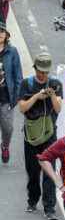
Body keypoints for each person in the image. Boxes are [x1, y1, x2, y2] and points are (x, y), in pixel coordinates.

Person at [19, 52, 62, 219]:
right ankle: (32, 199)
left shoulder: (56, 84)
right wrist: (37, 96)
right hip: (32, 133)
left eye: (45, 71)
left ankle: (49, 207)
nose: (42, 75)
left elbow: (58, 109)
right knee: (33, 170)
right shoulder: (27, 84)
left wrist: (51, 96)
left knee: (49, 169)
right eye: (40, 71)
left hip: (50, 132)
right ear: (35, 68)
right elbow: (22, 108)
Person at [0, 21, 19, 163]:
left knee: (8, 127)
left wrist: (16, 97)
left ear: (6, 35)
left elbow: (18, 75)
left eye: (2, 31)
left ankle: (5, 145)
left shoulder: (12, 52)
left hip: (6, 96)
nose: (0, 34)